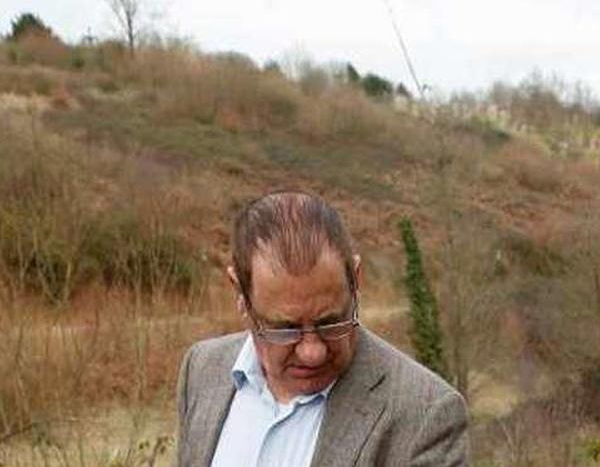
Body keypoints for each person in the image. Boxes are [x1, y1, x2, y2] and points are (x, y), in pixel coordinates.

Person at [176, 190, 469, 466]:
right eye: (285, 329)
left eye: (331, 322)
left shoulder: (425, 415)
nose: (312, 352)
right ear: (240, 293)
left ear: (356, 280)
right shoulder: (201, 370)